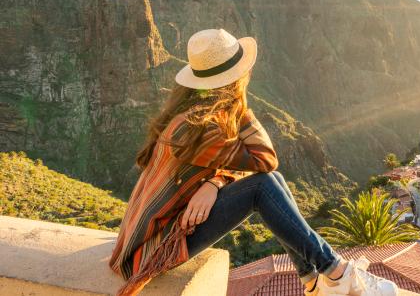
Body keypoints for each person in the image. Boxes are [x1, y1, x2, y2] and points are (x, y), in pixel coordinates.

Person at [109, 28, 398, 296]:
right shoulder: (199, 127)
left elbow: (254, 166)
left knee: (275, 182)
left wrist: (214, 181)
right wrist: (240, 104)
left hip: (153, 234)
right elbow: (266, 158)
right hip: (153, 248)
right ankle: (335, 272)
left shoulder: (194, 112)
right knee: (263, 187)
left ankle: (313, 281)